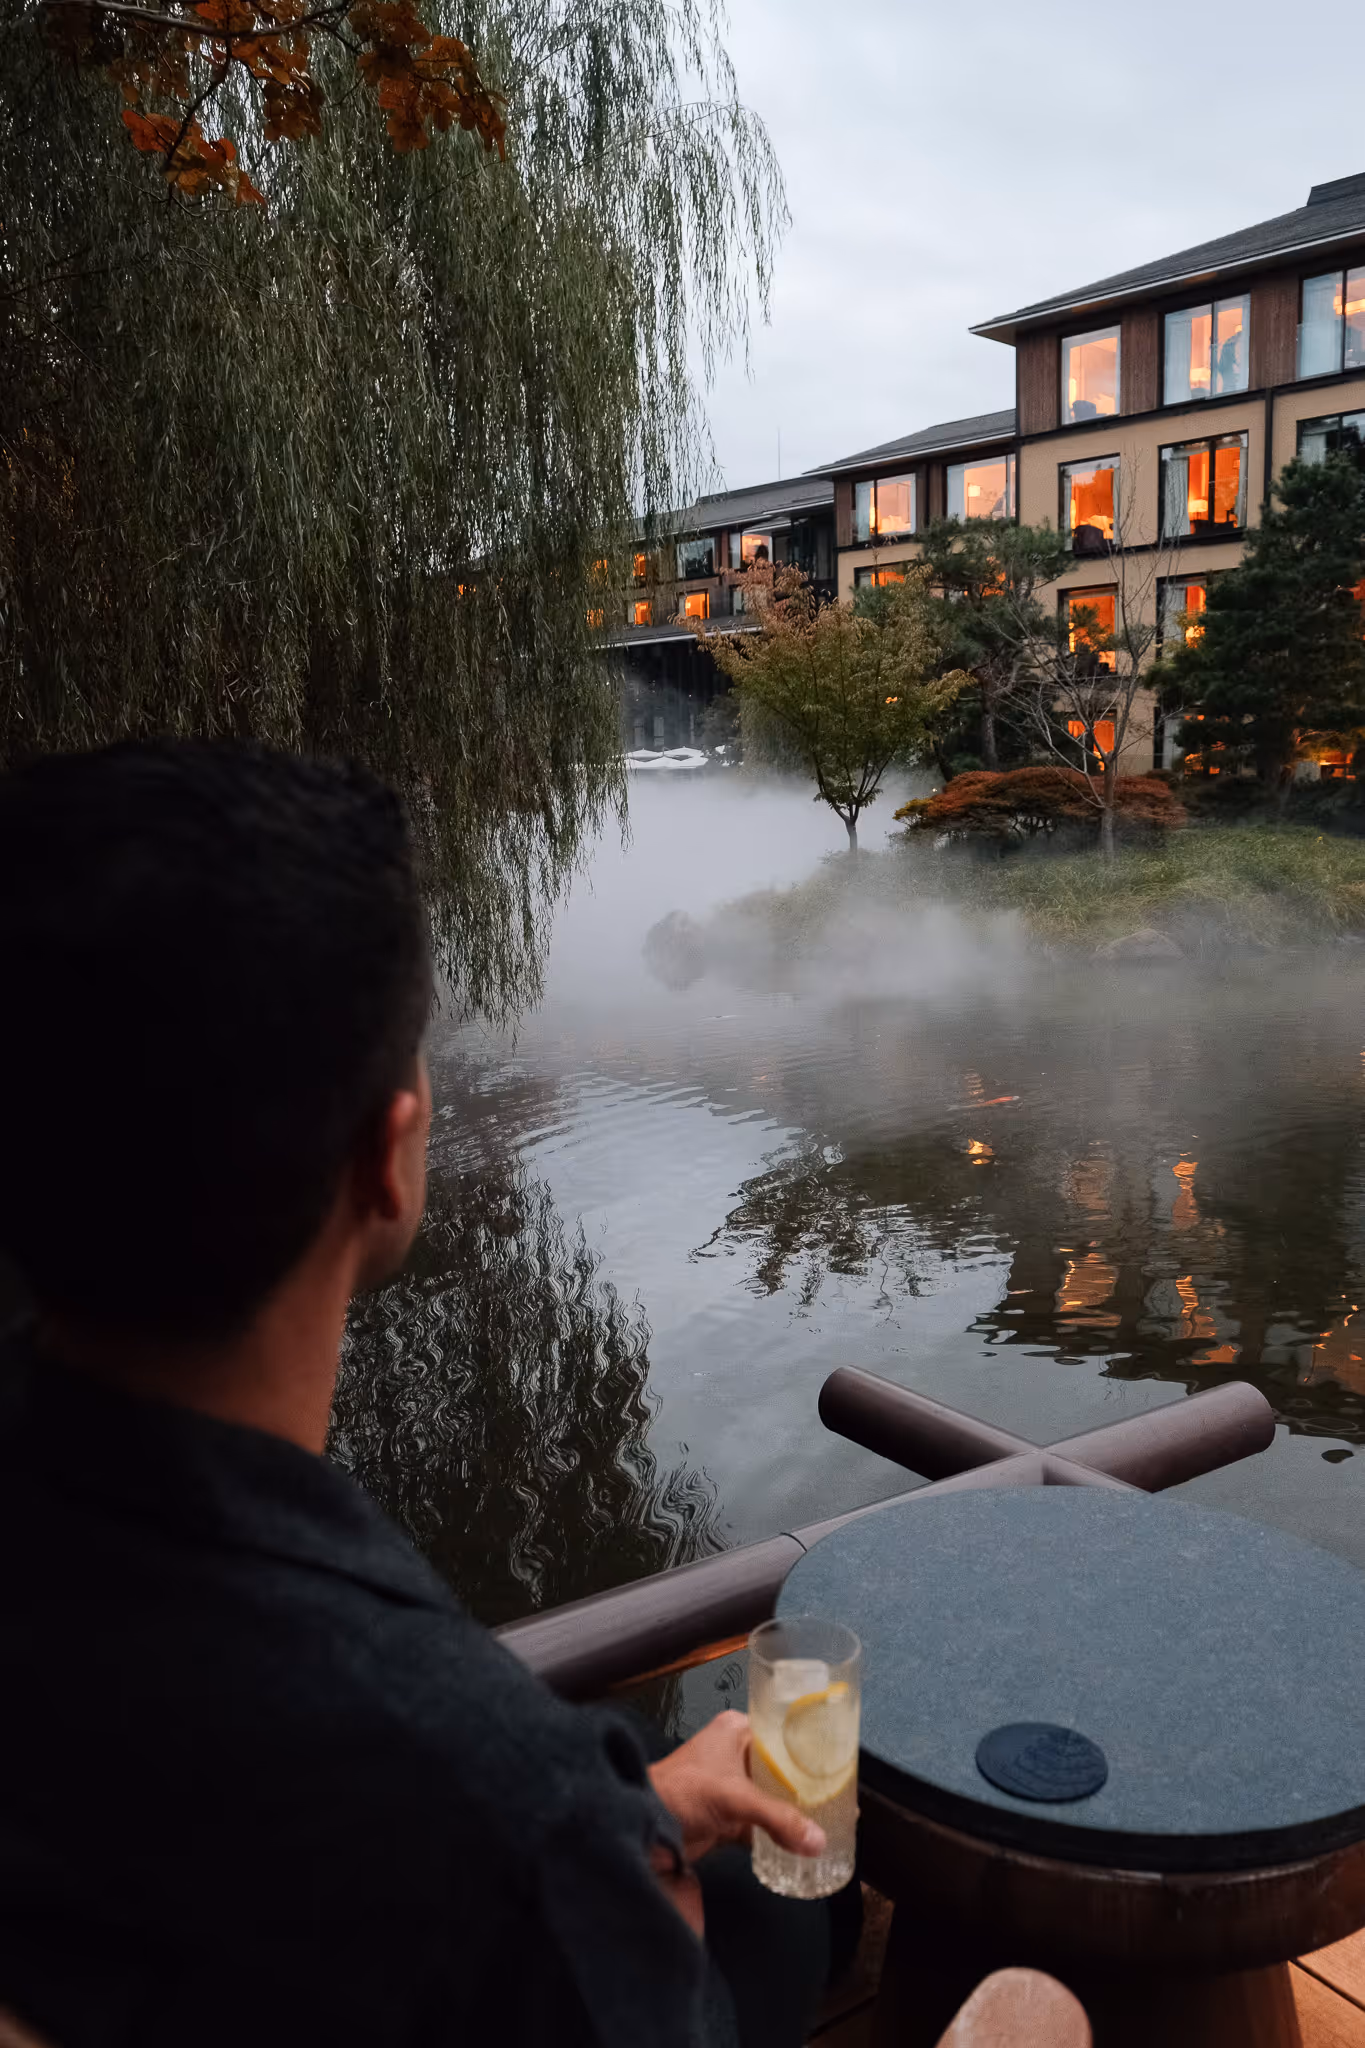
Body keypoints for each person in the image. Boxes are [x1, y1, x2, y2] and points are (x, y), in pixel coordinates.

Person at [0, 742, 835, 2048]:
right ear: (385, 1161)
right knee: (817, 1927)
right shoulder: (475, 1782)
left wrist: (625, 1815)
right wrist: (571, 1833)